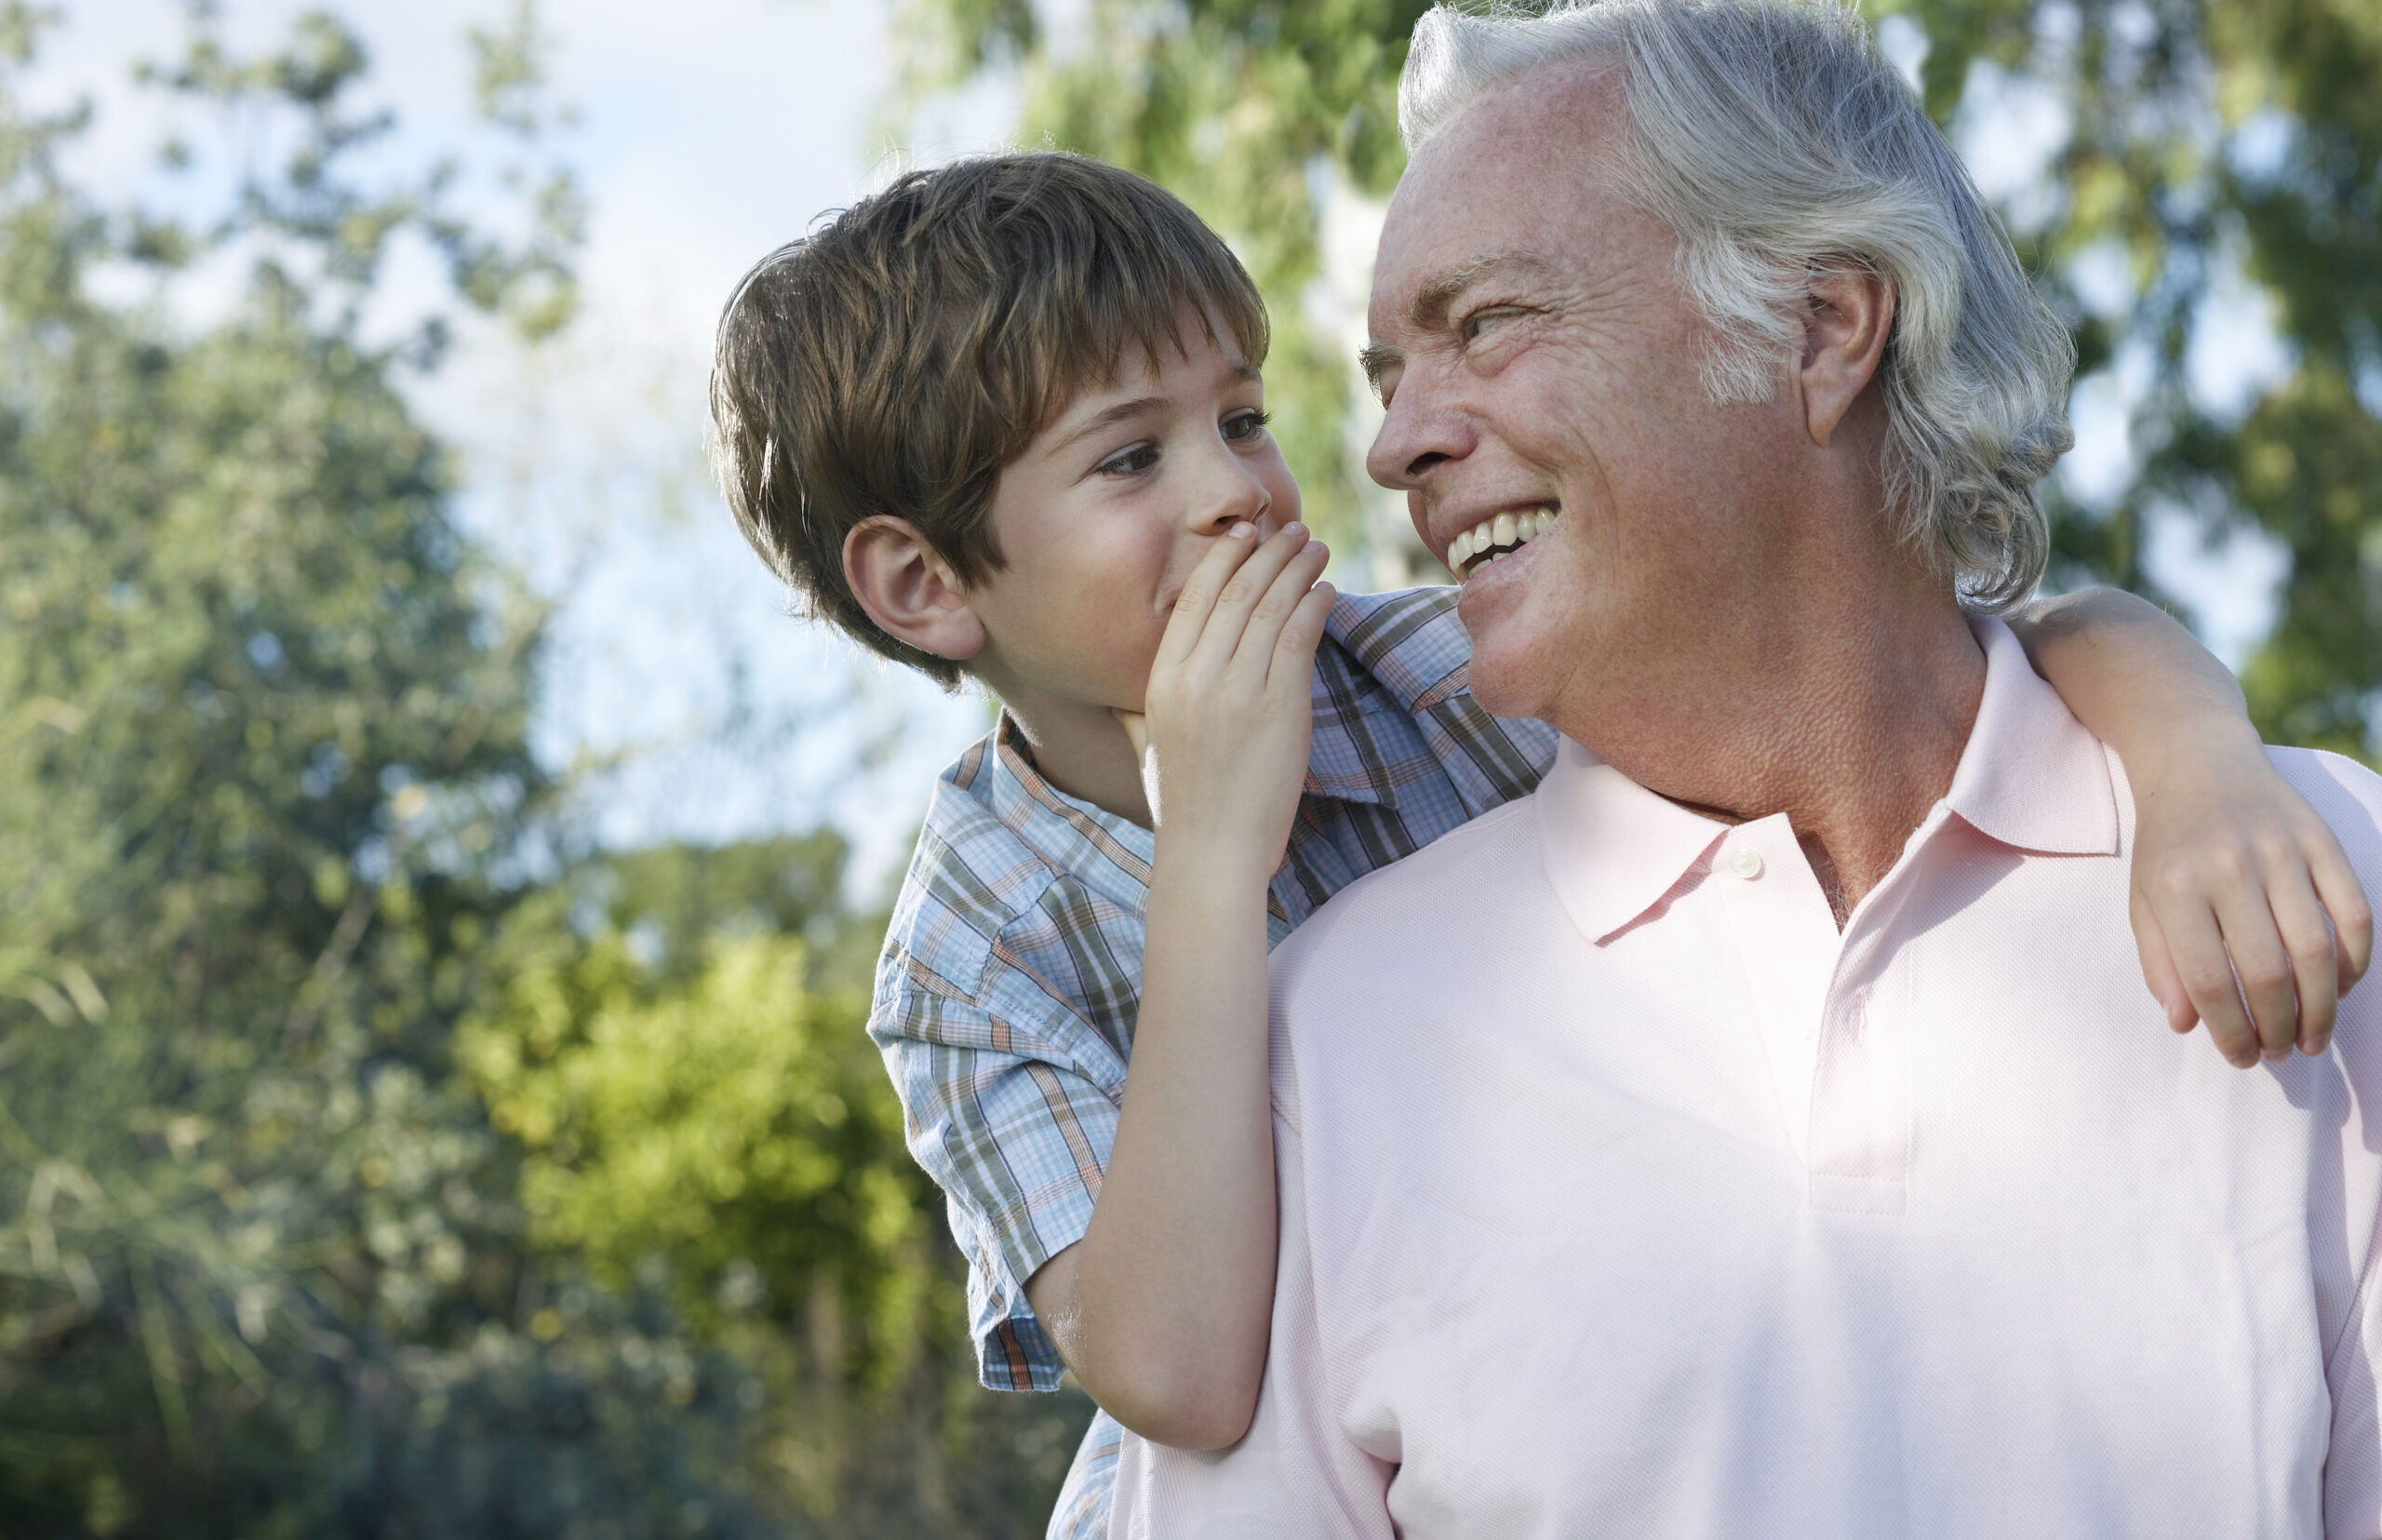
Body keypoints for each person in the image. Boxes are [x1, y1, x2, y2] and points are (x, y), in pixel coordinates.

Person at [706, 152, 2371, 1539]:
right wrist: (1213, 854)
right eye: (1134, 458)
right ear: (926, 586)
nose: (1244, 493)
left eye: (1245, 420)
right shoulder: (973, 949)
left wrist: (2199, 766)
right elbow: (1179, 1373)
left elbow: (1998, 641)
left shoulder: (1434, 677)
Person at [1109, 0, 2382, 1537]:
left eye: (1487, 325)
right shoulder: (1312, 1050)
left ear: (1822, 327)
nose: (1390, 446)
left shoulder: (2325, 881)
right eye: (1387, 377)